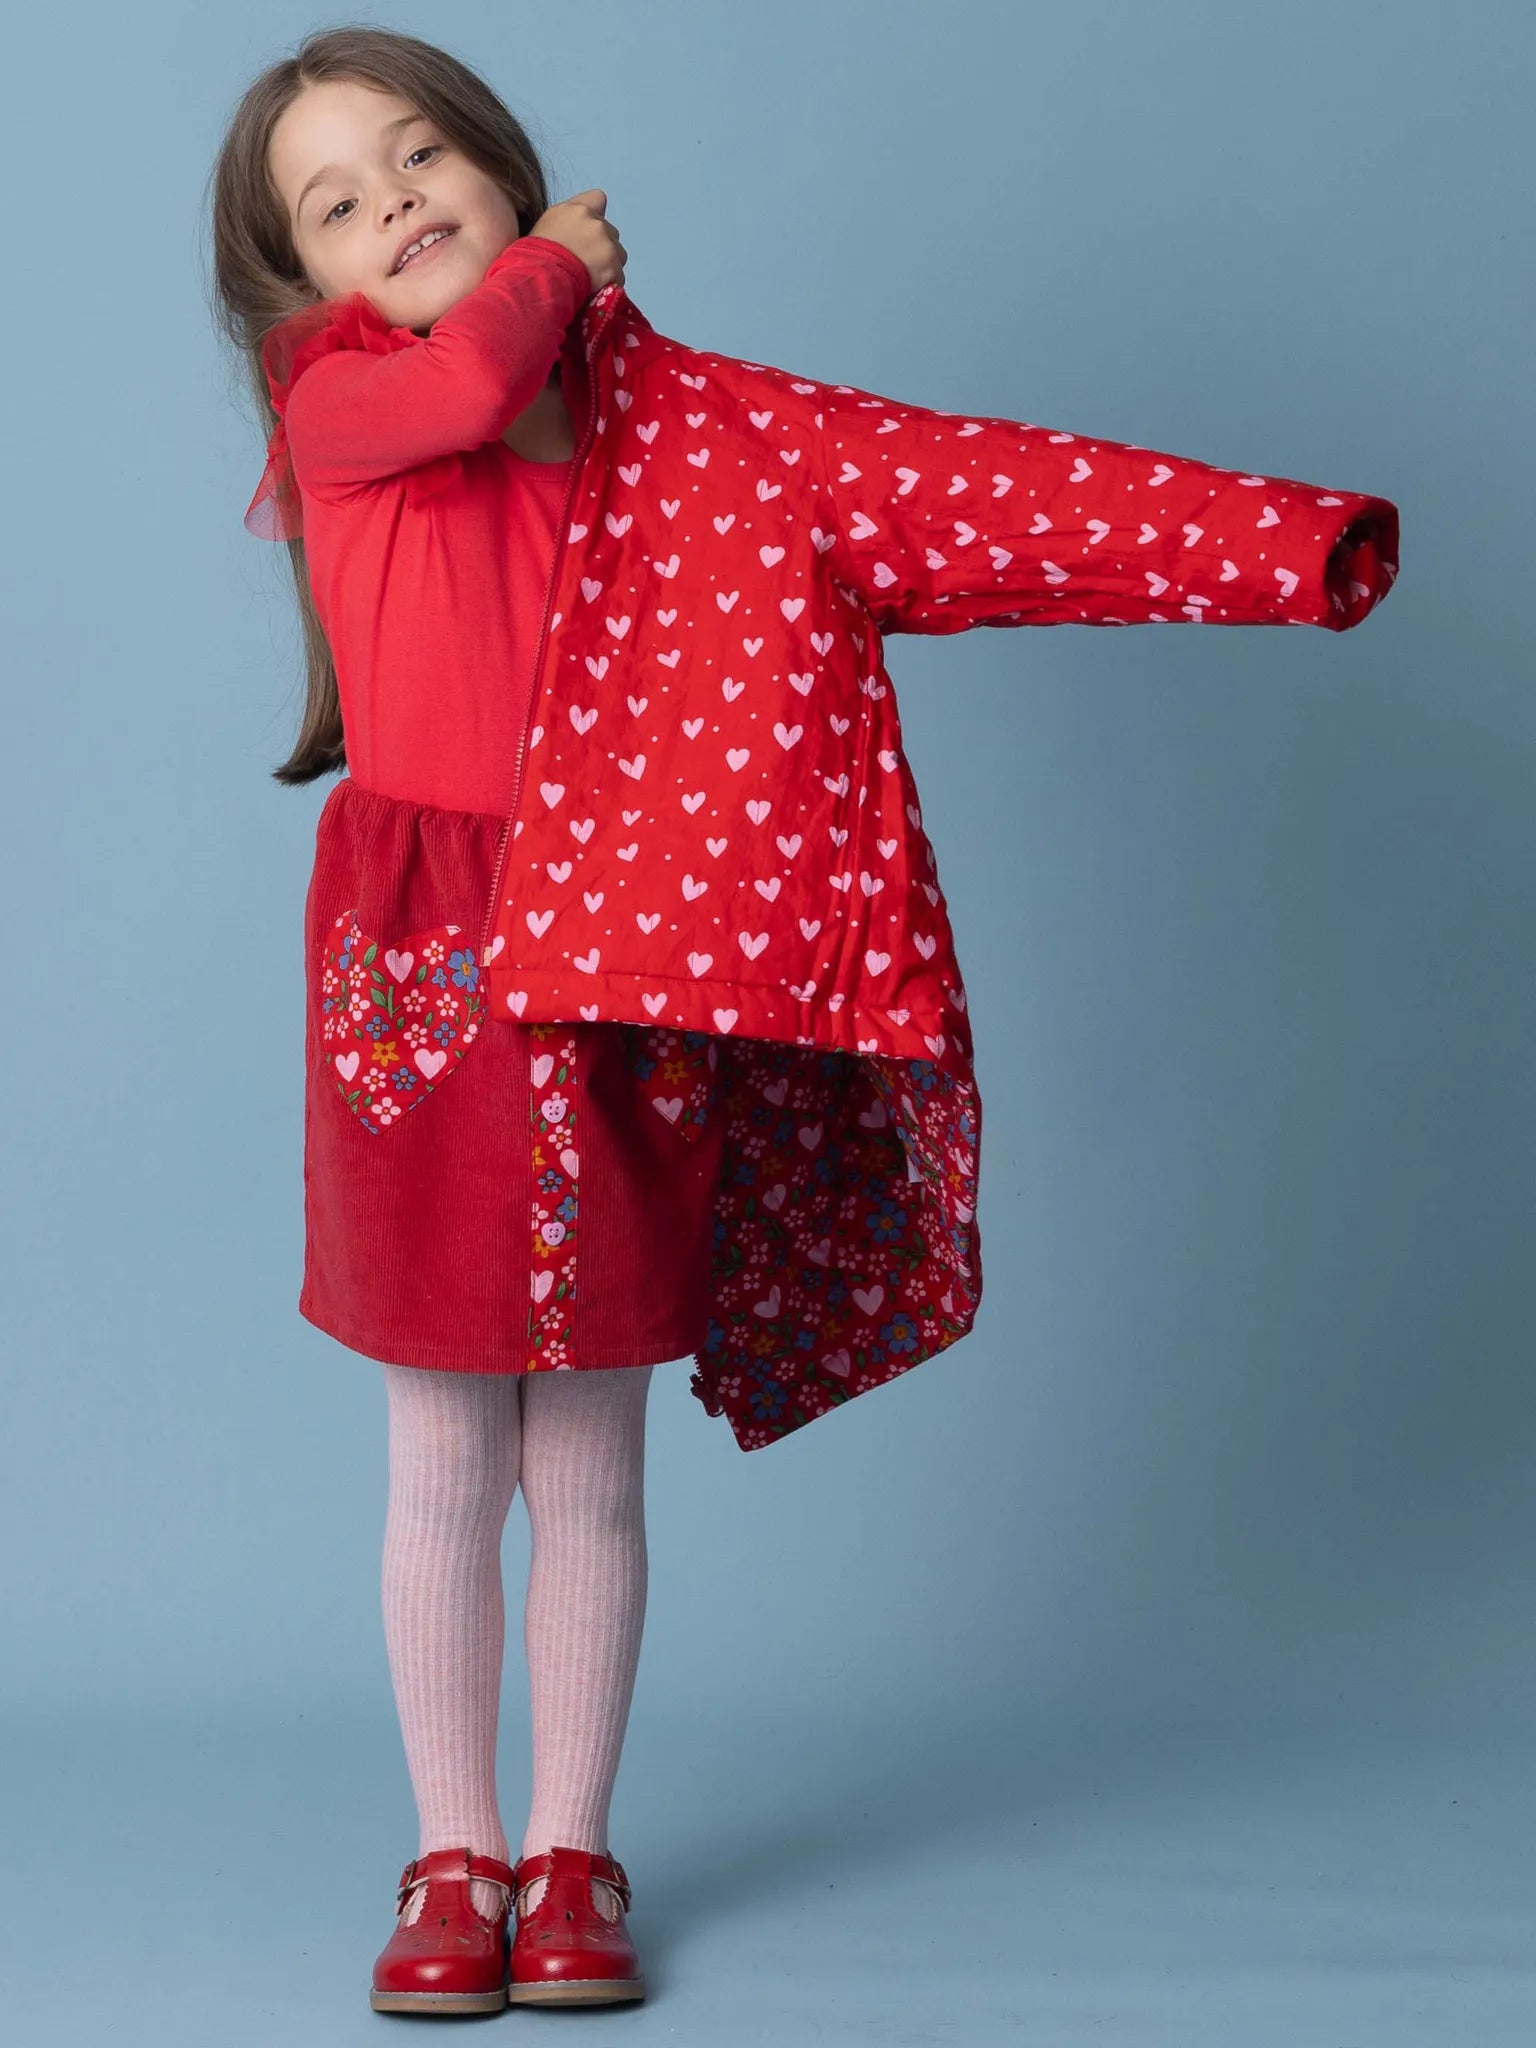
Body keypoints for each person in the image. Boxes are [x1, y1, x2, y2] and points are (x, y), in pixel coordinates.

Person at [210, 23, 1400, 2019]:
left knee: (585, 1456)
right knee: (440, 1451)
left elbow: (975, 496)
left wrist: (1289, 545)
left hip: (637, 967)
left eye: (425, 154)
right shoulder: (339, 402)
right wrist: (562, 267)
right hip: (425, 974)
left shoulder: (701, 433)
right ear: (304, 287)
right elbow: (483, 371)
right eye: (342, 201)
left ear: (502, 161)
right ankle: (452, 1853)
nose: (399, 198)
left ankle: (571, 1851)